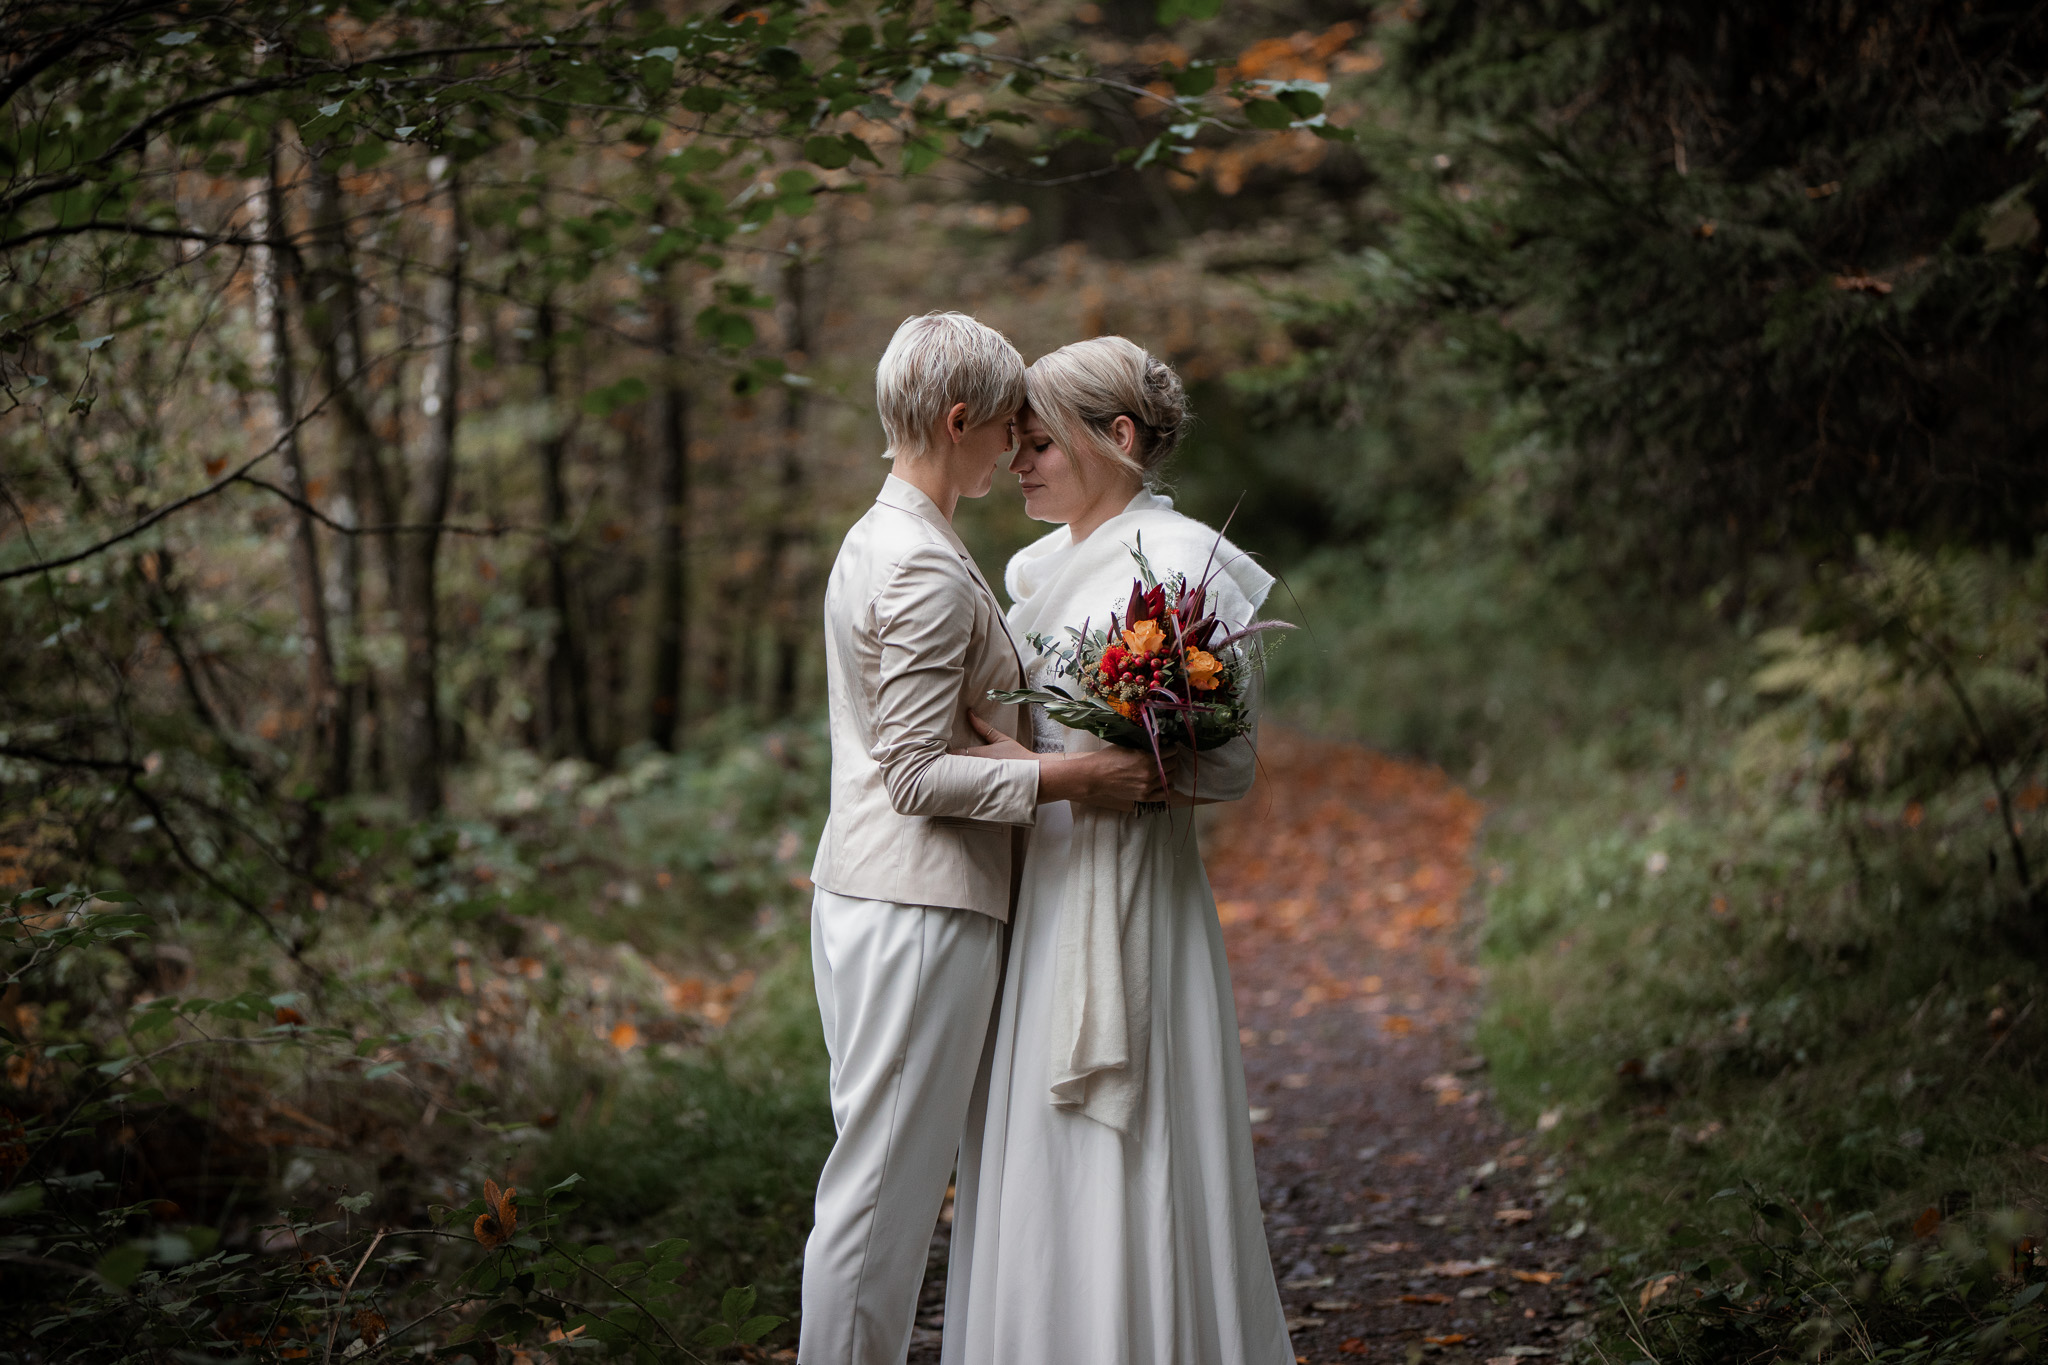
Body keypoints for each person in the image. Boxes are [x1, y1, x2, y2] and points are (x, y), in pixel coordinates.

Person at [801, 313, 1167, 1365]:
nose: (1017, 451)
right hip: (915, 909)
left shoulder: (886, 536)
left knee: (877, 1192)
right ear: (958, 421)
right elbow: (912, 774)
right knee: (875, 1210)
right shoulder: (916, 564)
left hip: (883, 897)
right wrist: (1074, 776)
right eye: (1009, 427)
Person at [940, 336, 1293, 1365]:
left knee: (1134, 1150)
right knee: (1033, 1159)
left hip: (1135, 891)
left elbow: (1228, 770)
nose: (1016, 464)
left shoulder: (1187, 568)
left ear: (1119, 437)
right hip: (1036, 888)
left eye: (1039, 443)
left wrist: (1140, 753)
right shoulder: (1031, 570)